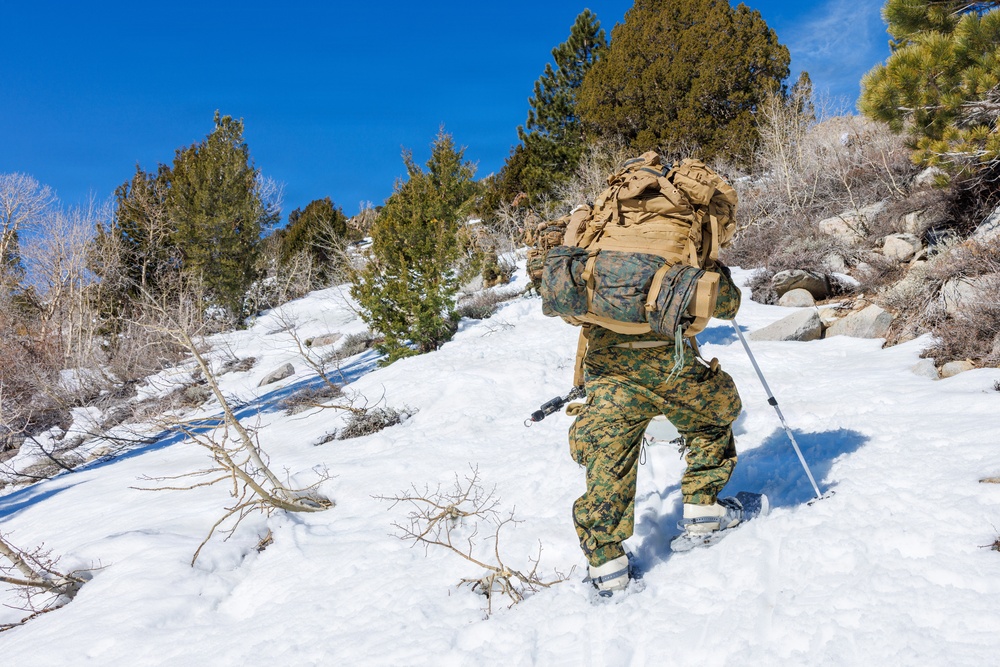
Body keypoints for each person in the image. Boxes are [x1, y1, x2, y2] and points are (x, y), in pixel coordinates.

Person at [567, 262, 758, 596]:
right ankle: (703, 508)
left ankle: (607, 565)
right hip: (671, 364)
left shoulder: (597, 242)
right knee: (713, 411)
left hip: (609, 369)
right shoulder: (683, 241)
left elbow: (565, 305)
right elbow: (727, 305)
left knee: (607, 452)